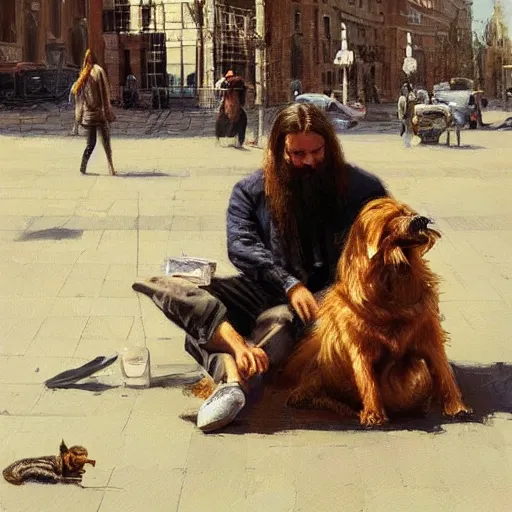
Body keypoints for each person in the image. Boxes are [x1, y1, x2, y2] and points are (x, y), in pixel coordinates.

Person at [132, 103, 388, 432]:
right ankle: (238, 351)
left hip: (327, 304)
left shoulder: (363, 189)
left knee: (270, 324)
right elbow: (241, 246)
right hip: (264, 289)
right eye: (297, 154)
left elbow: (387, 236)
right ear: (279, 151)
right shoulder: (250, 191)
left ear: (330, 146)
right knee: (185, 286)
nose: (309, 162)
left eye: (317, 151)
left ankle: (232, 378)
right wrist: (288, 283)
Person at [72, 49, 116, 176]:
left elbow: (79, 95)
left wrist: (79, 115)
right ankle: (108, 168)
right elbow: (103, 93)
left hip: (91, 115)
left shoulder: (88, 73)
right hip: (96, 114)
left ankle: (85, 167)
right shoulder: (93, 72)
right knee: (102, 142)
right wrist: (106, 111)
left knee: (93, 143)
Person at [397, 81, 417, 148]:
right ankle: (406, 144)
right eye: (404, 87)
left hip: (409, 116)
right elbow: (400, 108)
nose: (404, 88)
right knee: (405, 130)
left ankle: (407, 144)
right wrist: (401, 117)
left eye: (406, 87)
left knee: (408, 130)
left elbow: (412, 104)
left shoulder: (411, 95)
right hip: (404, 116)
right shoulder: (402, 97)